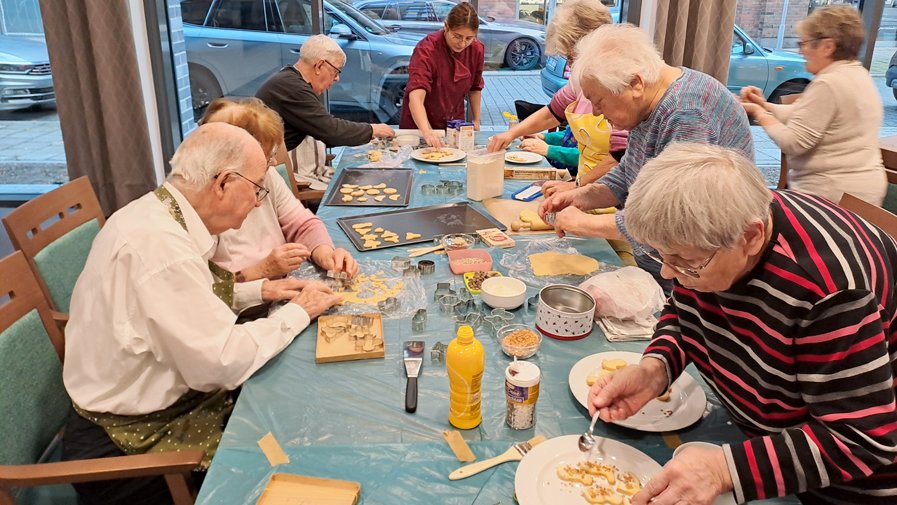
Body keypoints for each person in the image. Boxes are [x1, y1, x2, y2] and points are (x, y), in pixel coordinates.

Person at [590, 142, 897, 505]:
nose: (670, 274)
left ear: (750, 237)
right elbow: (686, 307)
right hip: (761, 435)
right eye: (660, 256)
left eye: (684, 262)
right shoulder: (715, 225)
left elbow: (860, 439)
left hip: (839, 480)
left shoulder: (829, 291)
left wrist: (724, 469)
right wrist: (655, 369)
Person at [61, 123, 343, 505]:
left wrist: (260, 290)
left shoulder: (158, 212)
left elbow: (176, 306)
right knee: (303, 454)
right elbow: (222, 363)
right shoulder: (161, 249)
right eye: (258, 187)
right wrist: (297, 312)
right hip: (129, 446)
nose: (260, 201)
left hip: (145, 402)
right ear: (223, 183)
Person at [538, 24, 753, 292]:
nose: (594, 113)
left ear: (635, 84)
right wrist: (583, 195)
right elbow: (630, 171)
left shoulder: (686, 114)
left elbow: (672, 220)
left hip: (696, 273)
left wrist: (588, 224)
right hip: (667, 263)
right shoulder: (649, 102)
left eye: (599, 101)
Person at [200, 97, 358, 283]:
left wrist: (325, 253)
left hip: (282, 287)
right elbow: (210, 292)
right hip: (246, 308)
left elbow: (302, 224)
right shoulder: (199, 206)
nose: (274, 162)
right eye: (268, 156)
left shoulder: (267, 175)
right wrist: (262, 270)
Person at [740, 5, 886, 205]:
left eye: (804, 43)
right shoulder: (856, 74)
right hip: (861, 191)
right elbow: (805, 114)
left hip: (832, 195)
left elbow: (793, 143)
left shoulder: (829, 83)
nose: (801, 51)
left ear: (827, 46)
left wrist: (760, 114)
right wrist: (765, 105)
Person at [487, 0, 626, 189]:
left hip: (604, 192)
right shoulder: (580, 79)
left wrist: (575, 186)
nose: (569, 65)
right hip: (585, 186)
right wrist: (512, 133)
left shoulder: (621, 84)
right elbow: (553, 112)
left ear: (592, 45)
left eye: (571, 57)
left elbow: (620, 158)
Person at [256, 34, 394, 153]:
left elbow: (323, 130)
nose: (337, 78)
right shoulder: (293, 88)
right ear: (319, 66)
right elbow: (331, 131)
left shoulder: (289, 79)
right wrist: (372, 129)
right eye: (336, 71)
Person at [399, 2, 484, 148]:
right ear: (446, 27)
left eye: (469, 38)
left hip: (453, 124)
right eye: (457, 36)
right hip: (418, 126)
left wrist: (476, 120)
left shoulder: (476, 49)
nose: (462, 43)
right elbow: (416, 97)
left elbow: (475, 88)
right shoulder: (426, 49)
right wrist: (427, 132)